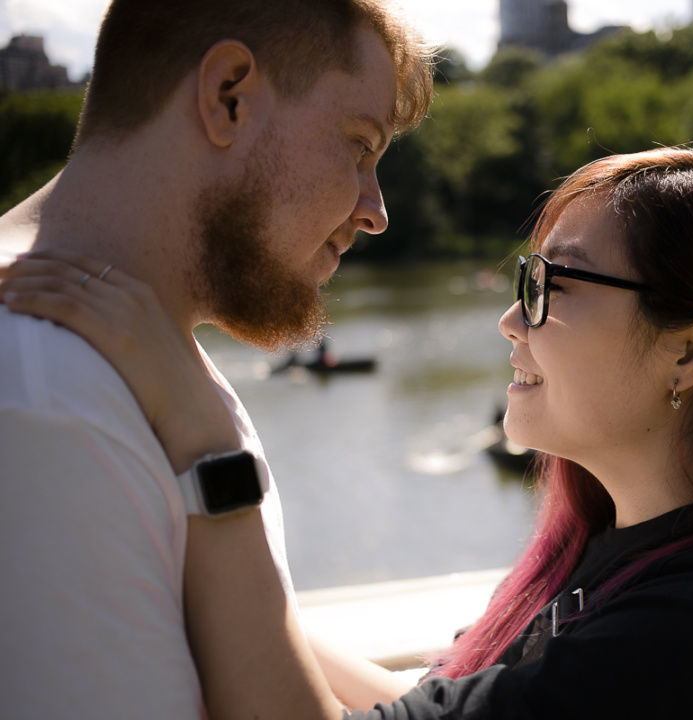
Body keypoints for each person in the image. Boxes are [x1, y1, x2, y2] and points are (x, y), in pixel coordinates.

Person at [0, 148, 693, 718]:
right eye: (524, 280)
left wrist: (210, 450)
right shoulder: (616, 561)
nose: (510, 323)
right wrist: (162, 573)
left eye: (550, 287)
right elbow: (422, 706)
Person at [0, 1, 432, 716]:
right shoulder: (47, 394)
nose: (375, 210)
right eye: (359, 146)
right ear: (229, 96)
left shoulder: (131, 359)